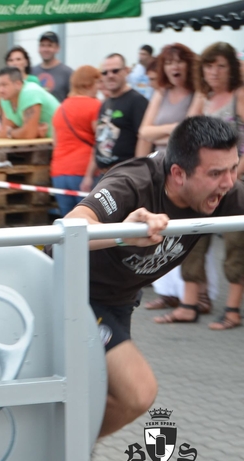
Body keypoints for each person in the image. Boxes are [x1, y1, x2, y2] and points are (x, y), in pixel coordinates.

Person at [64, 115, 244, 437]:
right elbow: (71, 227)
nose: (228, 182)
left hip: (118, 301)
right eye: (216, 173)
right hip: (71, 294)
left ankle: (65, 452)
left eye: (234, 169)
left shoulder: (223, 192)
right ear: (178, 173)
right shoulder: (134, 182)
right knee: (137, 392)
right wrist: (122, 234)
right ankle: (61, 453)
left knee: (96, 392)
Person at [159, 42, 244, 329]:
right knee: (191, 237)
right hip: (203, 182)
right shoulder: (203, 97)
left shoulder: (239, 95)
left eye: (221, 65)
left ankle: (232, 310)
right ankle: (189, 304)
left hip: (236, 181)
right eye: (209, 66)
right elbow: (187, 134)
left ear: (232, 68)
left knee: (236, 245)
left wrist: (231, 175)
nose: (214, 72)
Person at [135, 44, 198, 312]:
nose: (174, 67)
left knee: (183, 229)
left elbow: (191, 129)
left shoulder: (197, 93)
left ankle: (193, 295)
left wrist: (159, 131)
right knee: (159, 227)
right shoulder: (161, 92)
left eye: (179, 61)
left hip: (185, 168)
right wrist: (173, 130)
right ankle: (166, 291)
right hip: (160, 165)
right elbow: (144, 131)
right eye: (169, 62)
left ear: (188, 65)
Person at [82, 54, 149, 190]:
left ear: (126, 71)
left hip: (125, 177)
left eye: (115, 71)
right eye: (105, 72)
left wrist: (138, 176)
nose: (110, 75)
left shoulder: (137, 101)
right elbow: (98, 141)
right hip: (103, 176)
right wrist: (88, 176)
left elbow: (144, 139)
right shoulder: (105, 103)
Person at [50, 66, 102, 215]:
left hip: (59, 172)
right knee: (89, 218)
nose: (99, 87)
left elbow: (55, 142)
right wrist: (89, 175)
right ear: (89, 84)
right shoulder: (96, 106)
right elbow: (100, 141)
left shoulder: (61, 108)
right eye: (97, 82)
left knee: (67, 220)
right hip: (84, 171)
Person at [0, 67, 60, 139]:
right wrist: (24, 131)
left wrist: (10, 133)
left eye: (4, 85)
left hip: (62, 138)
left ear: (18, 84)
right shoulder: (5, 98)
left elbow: (28, 134)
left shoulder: (30, 92)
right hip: (45, 141)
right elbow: (4, 131)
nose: (0, 90)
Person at [31, 32, 73, 102]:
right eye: (42, 45)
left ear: (57, 48)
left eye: (49, 45)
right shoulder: (32, 72)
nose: (45, 49)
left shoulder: (67, 73)